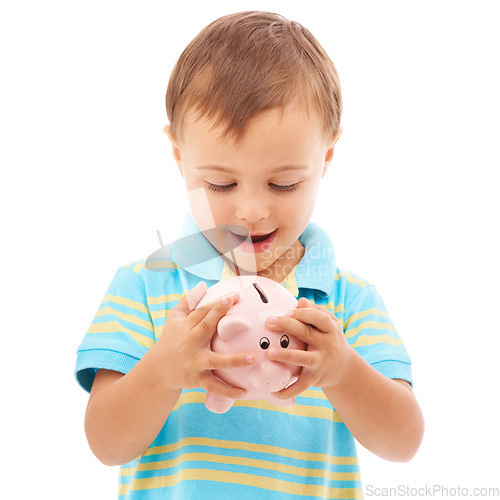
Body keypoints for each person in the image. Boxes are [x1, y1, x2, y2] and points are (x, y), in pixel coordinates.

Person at [75, 11, 424, 499]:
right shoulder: (145, 284)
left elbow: (404, 441)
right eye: (221, 183)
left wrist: (343, 369)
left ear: (325, 157)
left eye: (284, 183)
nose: (253, 210)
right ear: (179, 157)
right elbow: (106, 442)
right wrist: (162, 371)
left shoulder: (347, 299)